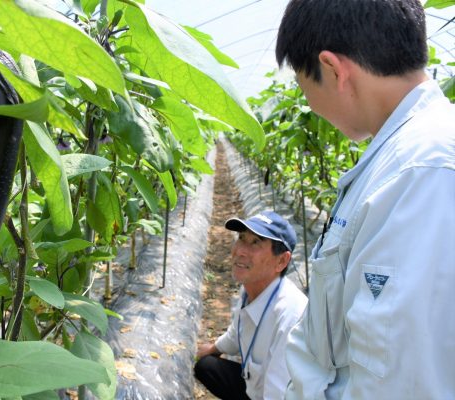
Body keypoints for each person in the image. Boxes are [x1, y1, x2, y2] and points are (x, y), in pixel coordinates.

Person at [275, 0, 455, 398]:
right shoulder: (406, 156)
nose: (309, 104)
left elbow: (396, 381)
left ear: (333, 69)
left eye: (304, 87)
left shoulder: (421, 172)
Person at [194, 211, 308, 399]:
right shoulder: (251, 287)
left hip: (276, 394)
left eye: (255, 242)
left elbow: (277, 393)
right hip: (254, 386)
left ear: (281, 261)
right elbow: (237, 332)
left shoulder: (290, 316)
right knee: (206, 366)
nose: (240, 250)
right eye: (241, 238)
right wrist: (213, 348)